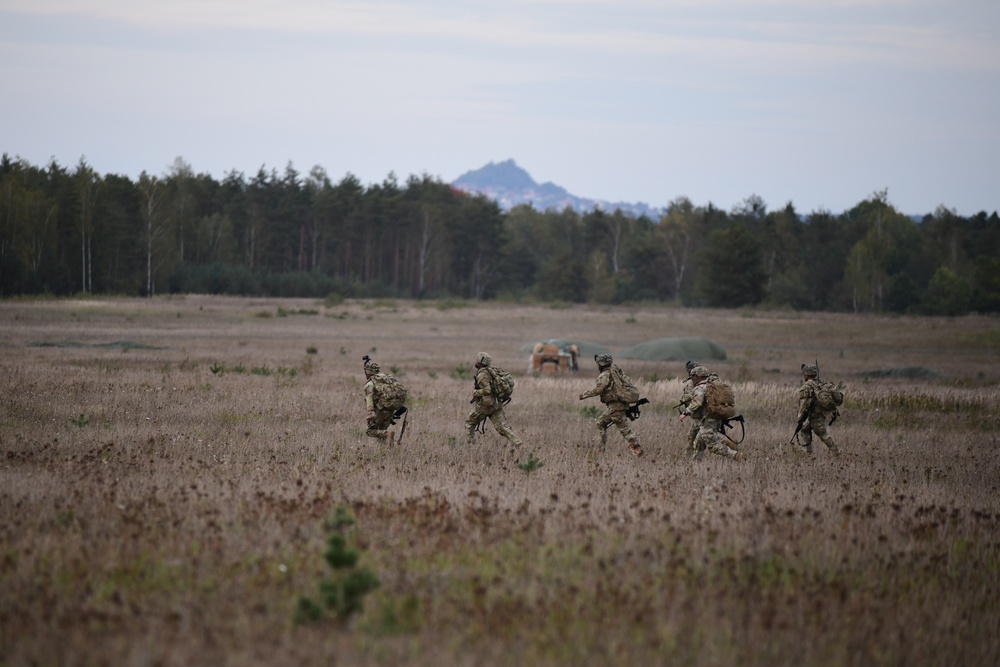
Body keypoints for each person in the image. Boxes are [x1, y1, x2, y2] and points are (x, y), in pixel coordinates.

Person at [578, 353, 643, 457]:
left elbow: (599, 389)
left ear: (601, 364)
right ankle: (601, 450)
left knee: (625, 430)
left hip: (616, 407)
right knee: (600, 423)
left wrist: (585, 395)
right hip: (619, 405)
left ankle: (637, 449)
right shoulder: (616, 370)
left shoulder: (605, 375)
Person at [679, 365, 743, 461]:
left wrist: (685, 413)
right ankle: (695, 464)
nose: (692, 380)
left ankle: (736, 456)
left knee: (713, 446)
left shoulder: (700, 388)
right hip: (716, 418)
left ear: (698, 376)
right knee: (699, 442)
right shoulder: (713, 385)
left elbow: (697, 403)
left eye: (693, 377)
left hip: (708, 420)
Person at [465, 352, 523, 449]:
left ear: (481, 362)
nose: (476, 361)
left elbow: (487, 390)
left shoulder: (482, 375)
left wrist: (476, 393)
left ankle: (470, 447)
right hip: (496, 405)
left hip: (485, 406)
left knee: (469, 423)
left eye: (477, 360)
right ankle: (518, 444)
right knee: (502, 427)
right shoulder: (492, 371)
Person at [796, 363, 841, 456]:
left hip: (815, 414)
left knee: (822, 434)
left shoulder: (806, 387)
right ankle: (809, 453)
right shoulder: (823, 383)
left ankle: (836, 452)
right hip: (821, 413)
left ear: (806, 375)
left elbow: (803, 404)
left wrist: (800, 418)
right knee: (804, 430)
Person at [363, 356, 406, 444]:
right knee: (381, 431)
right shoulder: (386, 378)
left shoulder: (370, 383)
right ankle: (387, 452)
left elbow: (369, 398)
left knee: (370, 431)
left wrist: (369, 414)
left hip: (382, 410)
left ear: (368, 372)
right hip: (391, 409)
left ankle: (388, 434)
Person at [678, 360, 700, 453]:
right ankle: (689, 455)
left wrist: (684, 399)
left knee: (708, 437)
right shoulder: (701, 380)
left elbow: (692, 396)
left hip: (699, 413)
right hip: (698, 412)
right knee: (693, 435)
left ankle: (689, 456)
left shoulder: (693, 381)